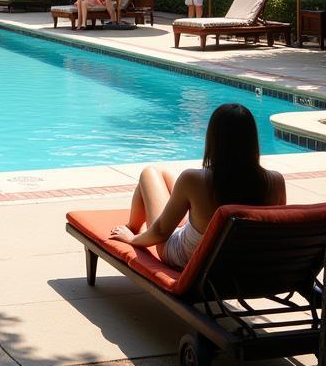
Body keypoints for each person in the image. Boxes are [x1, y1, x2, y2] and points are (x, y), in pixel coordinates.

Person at [110, 103, 286, 268]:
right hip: (241, 261)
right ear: (252, 139)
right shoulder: (275, 181)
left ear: (213, 139)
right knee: (165, 174)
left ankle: (131, 228)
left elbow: (161, 231)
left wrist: (132, 240)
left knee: (150, 172)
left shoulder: (194, 180)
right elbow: (276, 232)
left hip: (192, 258)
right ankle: (141, 225)